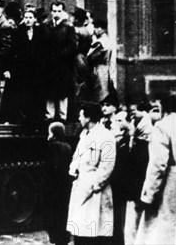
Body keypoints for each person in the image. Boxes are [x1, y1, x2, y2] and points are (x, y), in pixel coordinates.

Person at [67, 103, 116, 244]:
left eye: (81, 115)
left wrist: (94, 186)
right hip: (80, 187)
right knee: (80, 232)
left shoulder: (106, 136)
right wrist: (73, 170)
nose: (78, 118)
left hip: (96, 193)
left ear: (88, 117)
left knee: (95, 232)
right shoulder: (84, 136)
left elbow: (107, 166)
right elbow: (77, 157)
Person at [134, 94, 176, 244]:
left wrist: (147, 196)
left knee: (162, 232)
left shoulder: (163, 126)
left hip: (170, 187)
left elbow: (158, 164)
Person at [0, 7, 46, 127]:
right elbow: (10, 51)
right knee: (17, 94)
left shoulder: (41, 32)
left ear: (35, 19)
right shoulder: (17, 32)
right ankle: (15, 118)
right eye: (26, 17)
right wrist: (7, 69)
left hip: (36, 70)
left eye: (30, 17)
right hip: (20, 69)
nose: (28, 20)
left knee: (34, 94)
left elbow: (45, 51)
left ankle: (34, 119)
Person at [44, 1, 77, 122]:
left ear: (63, 12)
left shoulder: (68, 28)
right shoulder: (46, 26)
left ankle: (63, 116)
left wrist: (60, 55)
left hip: (63, 65)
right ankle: (49, 115)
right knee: (49, 91)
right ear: (51, 12)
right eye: (54, 11)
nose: (56, 14)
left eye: (59, 11)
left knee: (63, 91)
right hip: (49, 65)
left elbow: (72, 46)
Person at [45, 122, 72, 245]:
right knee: (63, 215)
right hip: (65, 186)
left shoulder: (53, 146)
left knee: (54, 215)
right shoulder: (67, 146)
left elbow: (53, 167)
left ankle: (56, 239)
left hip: (54, 187)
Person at [87, 19, 114, 104]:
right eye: (95, 27)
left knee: (100, 90)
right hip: (104, 67)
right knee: (103, 88)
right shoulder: (106, 39)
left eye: (98, 27)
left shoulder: (101, 41)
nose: (96, 29)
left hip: (99, 67)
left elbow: (91, 56)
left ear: (104, 29)